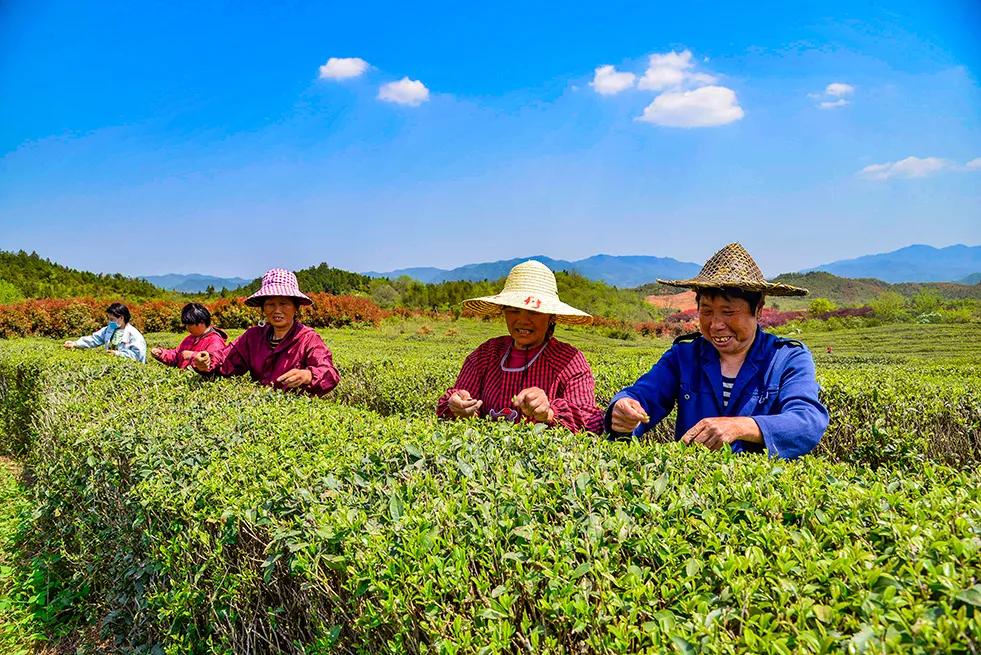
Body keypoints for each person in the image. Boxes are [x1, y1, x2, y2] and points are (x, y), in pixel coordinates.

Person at [606, 243, 829, 458]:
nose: (715, 325)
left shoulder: (788, 358)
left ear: (758, 310)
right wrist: (624, 410)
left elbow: (807, 421)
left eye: (728, 312)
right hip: (694, 490)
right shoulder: (684, 356)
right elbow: (644, 394)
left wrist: (741, 427)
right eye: (707, 311)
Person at [437, 260, 604, 433]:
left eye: (534, 312)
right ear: (503, 311)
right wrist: (458, 406)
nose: (523, 320)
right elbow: (460, 402)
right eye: (514, 310)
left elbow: (591, 421)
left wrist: (549, 413)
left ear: (551, 317)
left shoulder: (570, 361)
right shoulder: (486, 354)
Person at [191, 269, 339, 396]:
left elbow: (329, 373)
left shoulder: (308, 339)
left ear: (296, 308)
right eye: (270, 304)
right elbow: (226, 358)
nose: (277, 310)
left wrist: (308, 375)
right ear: (263, 309)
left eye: (284, 304)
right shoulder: (253, 336)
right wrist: (207, 362)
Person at [150, 303, 227, 369]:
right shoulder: (189, 338)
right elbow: (176, 355)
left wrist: (192, 355)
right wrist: (161, 353)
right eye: (186, 324)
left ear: (201, 322)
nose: (187, 327)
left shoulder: (215, 341)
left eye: (190, 324)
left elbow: (213, 364)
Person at [64, 302, 147, 363]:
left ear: (121, 318)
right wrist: (75, 344)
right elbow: (95, 339)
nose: (110, 322)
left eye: (112, 319)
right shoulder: (111, 328)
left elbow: (138, 356)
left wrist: (118, 354)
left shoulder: (134, 335)